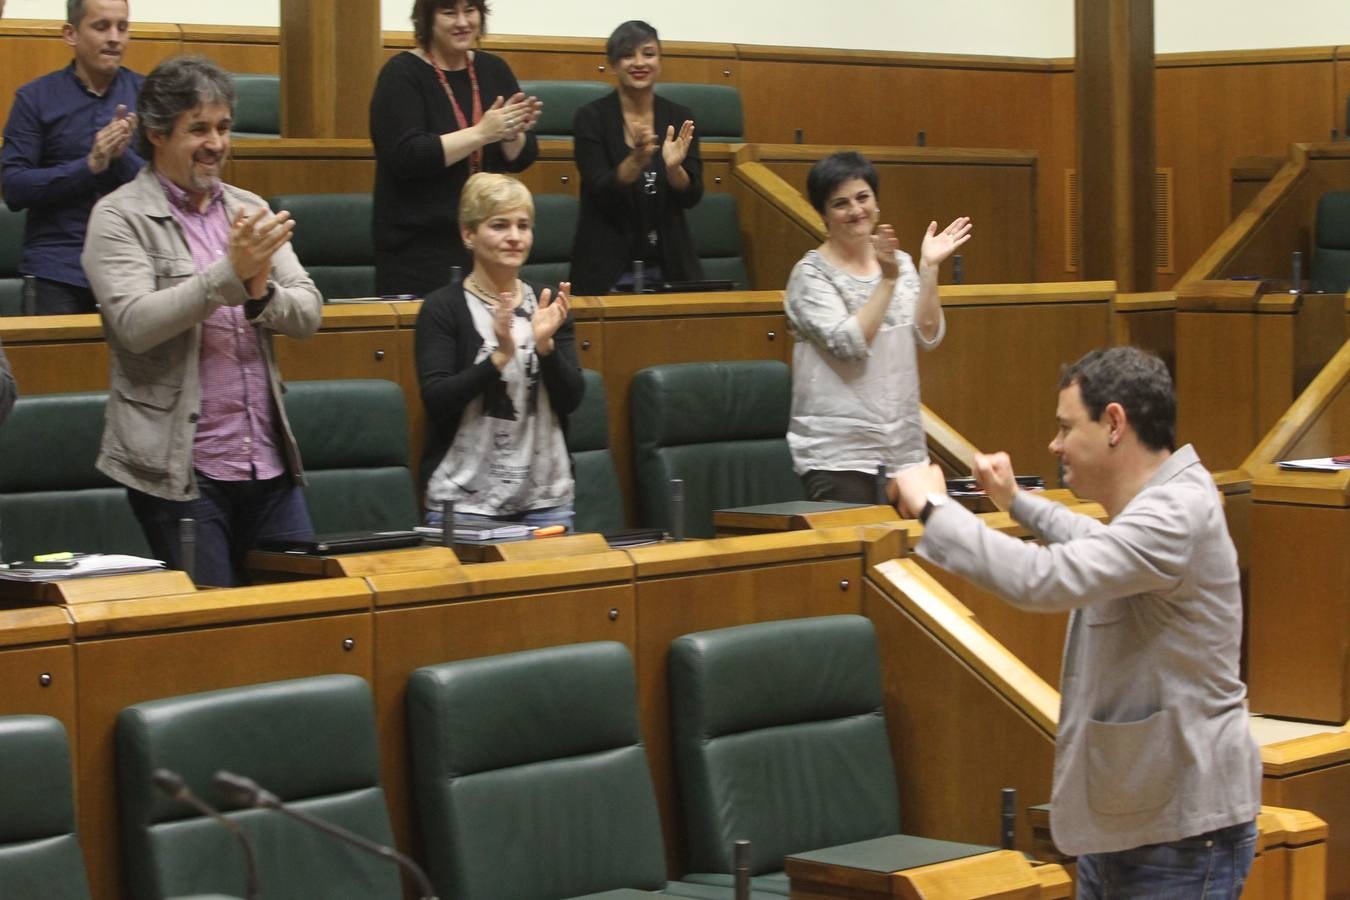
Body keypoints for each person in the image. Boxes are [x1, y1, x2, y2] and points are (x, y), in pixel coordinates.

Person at [892, 347, 1261, 899]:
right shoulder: (1161, 505)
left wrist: (932, 509)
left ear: (1114, 423)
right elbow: (1099, 546)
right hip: (1135, 822)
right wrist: (1015, 501)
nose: (1055, 444)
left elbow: (1044, 579)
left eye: (1066, 427)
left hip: (1180, 837)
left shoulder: (1177, 512)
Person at [82, 55, 323, 587]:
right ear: (157, 134)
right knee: (214, 637)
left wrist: (260, 291)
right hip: (181, 473)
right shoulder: (119, 217)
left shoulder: (250, 209)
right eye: (198, 129)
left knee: (303, 622)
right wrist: (228, 276)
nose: (216, 142)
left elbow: (308, 313)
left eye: (223, 127)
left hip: (268, 461)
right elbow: (134, 324)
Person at [785, 151, 971, 502]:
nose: (856, 211)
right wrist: (886, 282)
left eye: (862, 197)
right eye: (840, 203)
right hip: (838, 455)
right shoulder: (810, 276)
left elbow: (928, 335)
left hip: (903, 449)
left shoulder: (898, 262)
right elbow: (849, 345)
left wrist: (928, 268)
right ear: (823, 214)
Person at [415, 172, 583, 531]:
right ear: (468, 234)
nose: (514, 237)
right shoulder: (443, 308)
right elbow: (437, 399)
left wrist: (546, 348)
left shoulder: (547, 303)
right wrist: (499, 357)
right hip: (463, 504)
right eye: (500, 225)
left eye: (523, 226)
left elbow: (572, 399)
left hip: (547, 503)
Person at [370, 0, 541, 298]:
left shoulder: (493, 69)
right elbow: (407, 156)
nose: (462, 22)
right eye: (449, 13)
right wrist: (481, 133)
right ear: (427, 20)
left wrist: (511, 132)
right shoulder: (401, 74)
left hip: (486, 246)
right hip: (419, 250)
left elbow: (520, 158)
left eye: (470, 11)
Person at [1, 0, 144, 314]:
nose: (115, 38)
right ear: (71, 34)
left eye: (122, 27)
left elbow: (169, 186)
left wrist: (121, 159)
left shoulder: (147, 96)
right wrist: (90, 165)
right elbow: (14, 187)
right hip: (57, 266)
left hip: (134, 264)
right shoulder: (34, 98)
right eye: (101, 26)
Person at [569, 20, 703, 295]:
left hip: (671, 264)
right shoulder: (590, 117)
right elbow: (600, 188)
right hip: (605, 264)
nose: (639, 62)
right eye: (628, 54)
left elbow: (692, 195)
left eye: (648, 53)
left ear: (660, 60)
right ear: (613, 64)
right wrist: (636, 160)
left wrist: (674, 168)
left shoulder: (680, 117)